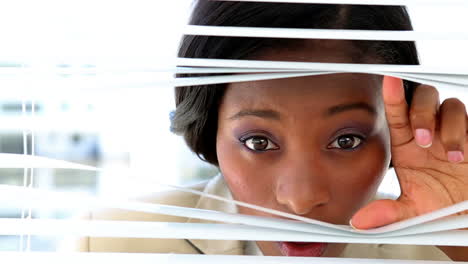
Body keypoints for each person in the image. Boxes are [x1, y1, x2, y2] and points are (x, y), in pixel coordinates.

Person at [70, 1, 467, 261]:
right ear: (210, 130)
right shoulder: (111, 245)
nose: (301, 200)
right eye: (258, 142)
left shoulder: (443, 251)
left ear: (401, 133)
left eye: (346, 140)